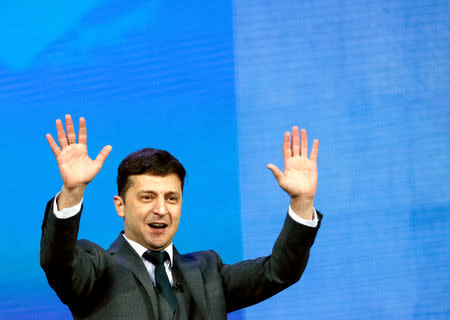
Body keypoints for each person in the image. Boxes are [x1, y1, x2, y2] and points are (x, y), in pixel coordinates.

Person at [40, 114, 322, 320]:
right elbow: (57, 263)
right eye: (147, 197)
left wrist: (302, 201)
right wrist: (72, 192)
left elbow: (280, 271)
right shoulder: (96, 268)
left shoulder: (207, 270)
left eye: (171, 198)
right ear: (120, 205)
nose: (161, 209)